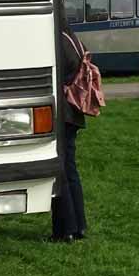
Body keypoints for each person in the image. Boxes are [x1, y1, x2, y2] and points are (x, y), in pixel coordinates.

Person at [51, 21, 91, 242]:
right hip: (74, 111)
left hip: (63, 111)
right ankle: (79, 225)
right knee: (71, 169)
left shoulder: (57, 39)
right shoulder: (73, 38)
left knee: (60, 169)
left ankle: (64, 228)